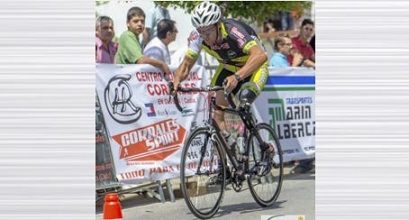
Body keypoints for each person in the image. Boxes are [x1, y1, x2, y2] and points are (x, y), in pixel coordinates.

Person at [171, 2, 271, 178]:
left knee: (244, 102)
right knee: (216, 111)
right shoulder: (197, 36)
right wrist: (176, 80)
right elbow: (186, 64)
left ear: (218, 25)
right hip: (228, 68)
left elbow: (260, 55)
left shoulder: (233, 31)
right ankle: (226, 162)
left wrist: (238, 77)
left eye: (208, 31)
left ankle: (264, 148)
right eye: (201, 31)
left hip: (254, 67)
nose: (205, 36)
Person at [115, 7, 170, 75]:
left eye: (142, 21)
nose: (140, 24)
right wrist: (161, 64)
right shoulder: (127, 36)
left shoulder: (135, 37)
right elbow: (141, 60)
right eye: (135, 21)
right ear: (127, 23)